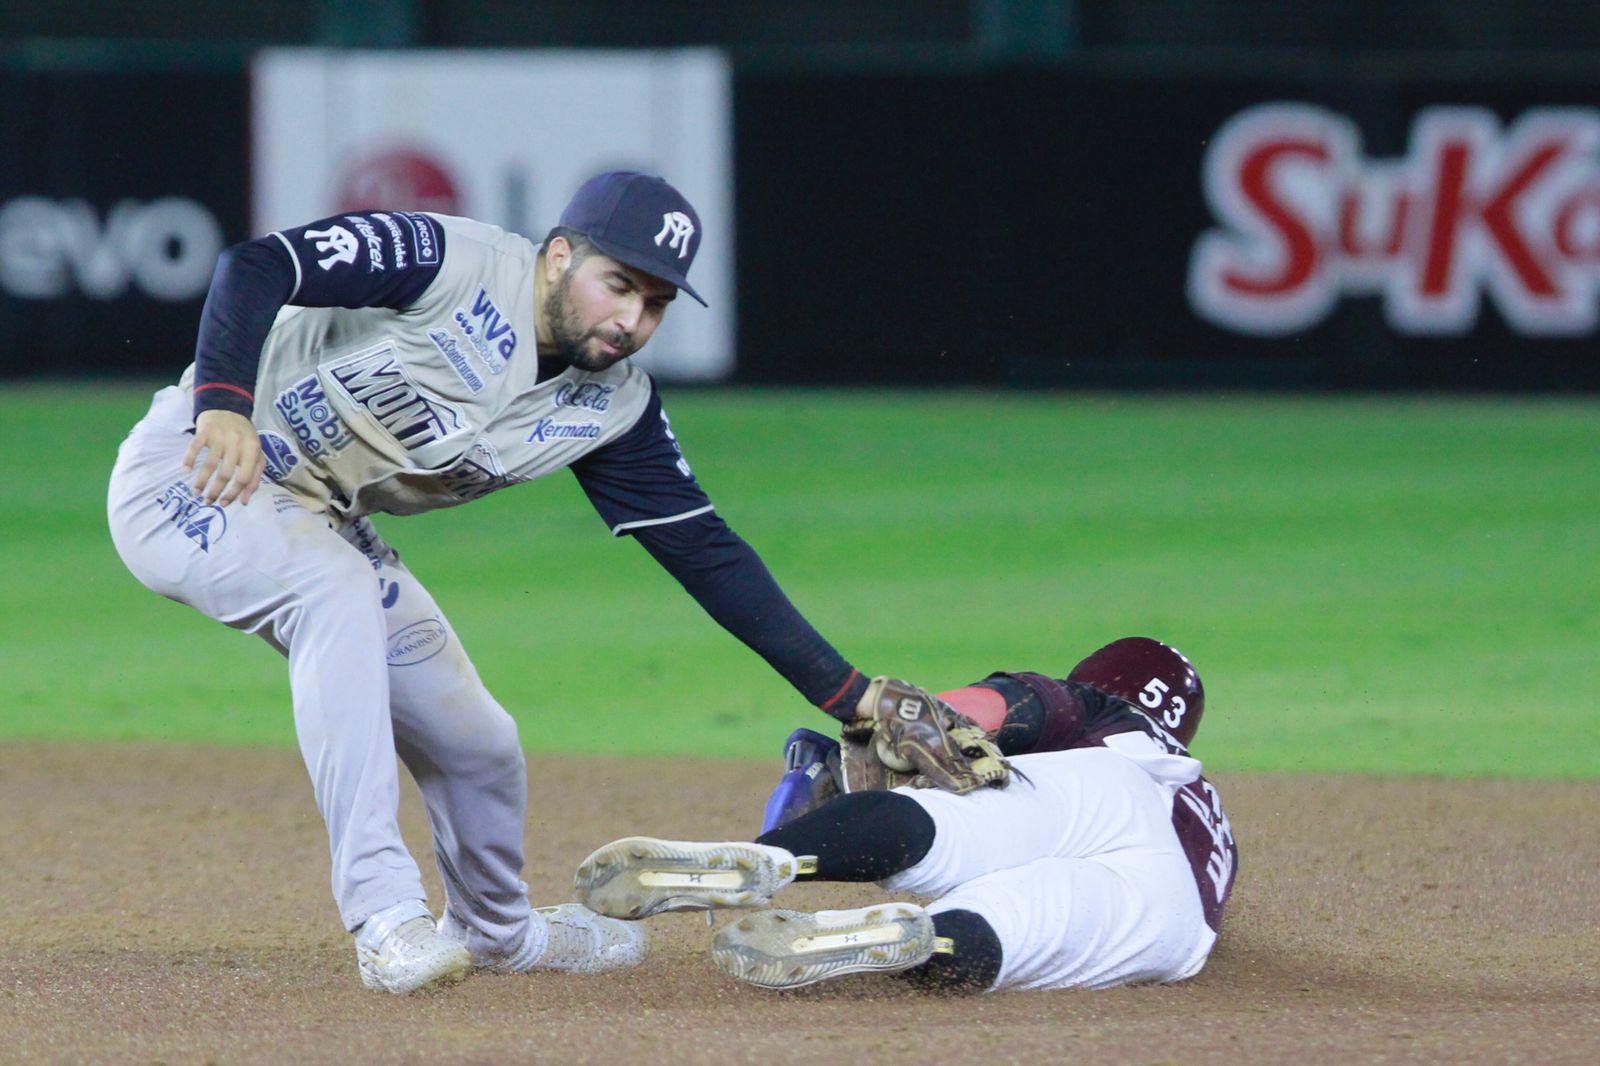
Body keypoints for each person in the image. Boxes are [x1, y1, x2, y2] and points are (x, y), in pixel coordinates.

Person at [106, 172, 883, 994]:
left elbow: (707, 554)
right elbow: (259, 265)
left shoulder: (613, 407)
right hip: (191, 476)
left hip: (319, 516)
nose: (631, 321)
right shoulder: (446, 260)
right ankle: (385, 921)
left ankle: (498, 929)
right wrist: (221, 401)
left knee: (478, 743)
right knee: (333, 593)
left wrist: (852, 697)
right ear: (556, 257)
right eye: (617, 285)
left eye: (655, 305)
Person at [574, 637, 1238, 993]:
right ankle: (917, 936)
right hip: (1174, 916)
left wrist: (870, 738)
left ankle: (775, 860)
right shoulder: (1208, 811)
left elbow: (986, 710)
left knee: (954, 824)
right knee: (1018, 922)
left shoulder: (1101, 714)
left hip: (1100, 791)